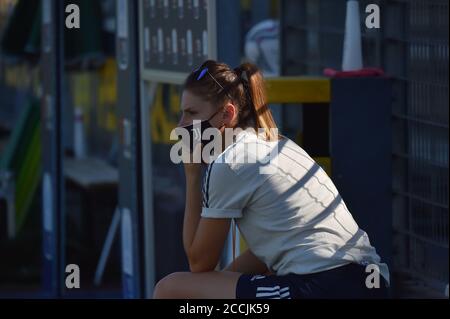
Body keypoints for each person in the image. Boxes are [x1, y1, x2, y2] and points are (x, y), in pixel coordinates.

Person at [153, 60, 389, 299]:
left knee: (170, 289)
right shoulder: (277, 143)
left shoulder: (230, 163)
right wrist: (218, 283)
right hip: (370, 282)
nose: (181, 124)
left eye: (191, 113)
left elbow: (199, 263)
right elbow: (266, 251)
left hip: (324, 286)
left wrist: (192, 176)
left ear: (227, 113)